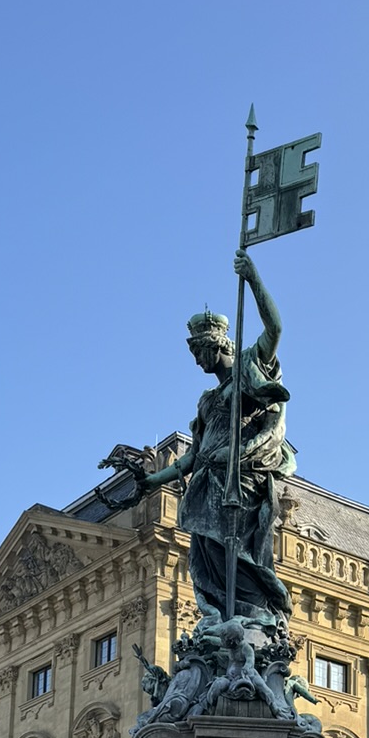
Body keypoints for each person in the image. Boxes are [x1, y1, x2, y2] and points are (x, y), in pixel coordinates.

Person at [115, 250, 295, 619]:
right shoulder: (207, 399)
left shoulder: (250, 367)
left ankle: (253, 621)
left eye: (200, 353)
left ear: (216, 346)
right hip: (207, 486)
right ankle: (222, 621)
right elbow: (193, 456)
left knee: (241, 559)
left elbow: (275, 329)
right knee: (208, 557)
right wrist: (152, 481)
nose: (198, 362)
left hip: (240, 483)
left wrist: (254, 279)